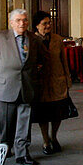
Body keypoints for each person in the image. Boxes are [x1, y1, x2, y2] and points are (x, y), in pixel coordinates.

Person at [0, 9, 43, 165]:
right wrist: (2, 77)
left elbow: (38, 60)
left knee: (25, 121)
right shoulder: (0, 37)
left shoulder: (33, 38)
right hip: (6, 86)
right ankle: (5, 147)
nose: (21, 23)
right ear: (11, 23)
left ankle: (22, 152)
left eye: (24, 20)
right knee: (6, 121)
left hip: (27, 86)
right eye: (18, 20)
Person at [31, 11, 73, 155]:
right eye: (45, 24)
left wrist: (67, 79)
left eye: (49, 23)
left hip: (57, 81)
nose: (48, 25)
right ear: (37, 26)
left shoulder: (57, 39)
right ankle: (45, 140)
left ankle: (54, 136)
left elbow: (64, 61)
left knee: (57, 112)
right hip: (41, 83)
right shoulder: (32, 40)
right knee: (43, 113)